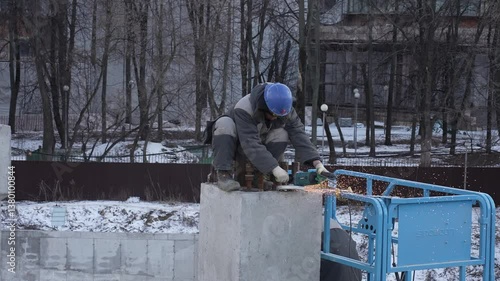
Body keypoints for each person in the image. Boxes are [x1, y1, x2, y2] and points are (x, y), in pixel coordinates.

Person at [208, 82, 328, 191]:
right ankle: (223, 174)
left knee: (281, 133)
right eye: (273, 114)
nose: (275, 118)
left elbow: (299, 134)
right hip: (236, 144)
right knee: (224, 124)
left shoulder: (284, 108)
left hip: (258, 149)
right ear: (263, 106)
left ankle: (260, 175)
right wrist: (274, 168)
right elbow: (250, 143)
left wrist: (317, 163)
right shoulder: (244, 108)